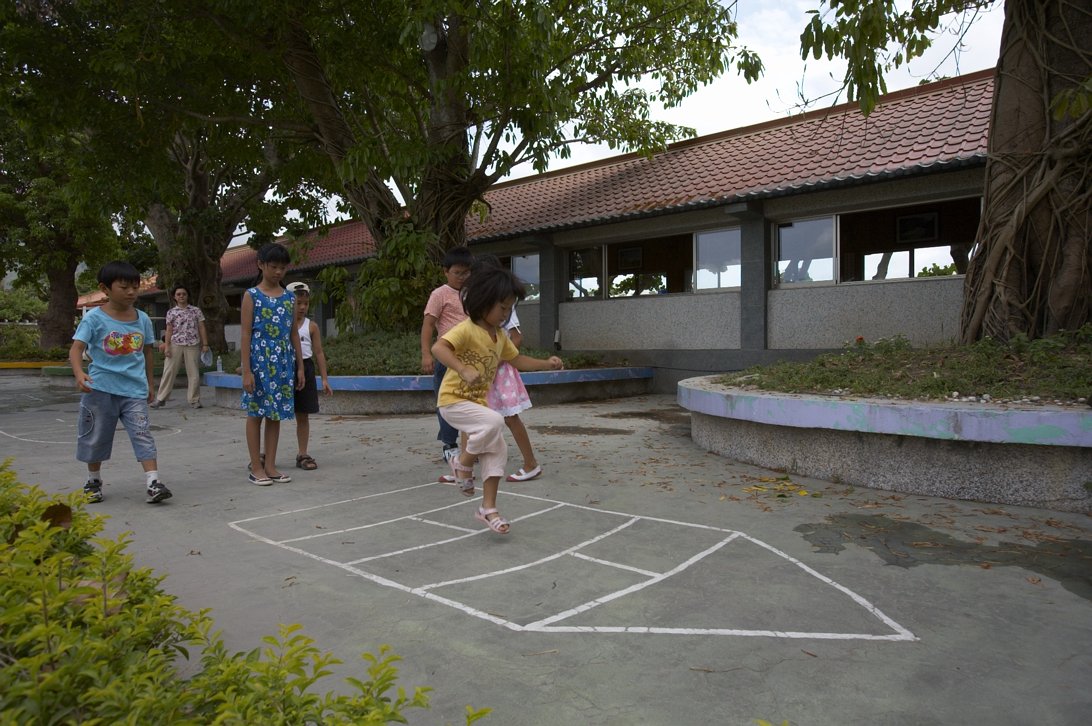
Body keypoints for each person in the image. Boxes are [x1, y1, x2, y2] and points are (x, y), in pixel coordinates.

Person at [431, 265, 563, 534]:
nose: (506, 314)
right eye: (502, 308)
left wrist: (545, 363)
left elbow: (516, 360)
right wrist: (463, 368)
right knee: (493, 421)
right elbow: (438, 347)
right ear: (483, 303)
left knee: (497, 449)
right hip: (452, 401)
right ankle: (462, 463)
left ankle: (488, 509)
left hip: (476, 405)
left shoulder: (500, 336)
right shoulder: (466, 329)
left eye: (509, 308)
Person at [69, 260, 172, 504]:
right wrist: (78, 373)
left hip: (134, 390)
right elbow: (76, 349)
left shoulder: (143, 319)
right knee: (96, 435)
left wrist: (150, 383)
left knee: (142, 433)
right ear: (105, 288)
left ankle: (153, 482)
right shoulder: (94, 319)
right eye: (124, 287)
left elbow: (147, 352)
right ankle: (93, 480)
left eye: (135, 287)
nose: (131, 292)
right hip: (100, 389)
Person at [473, 255, 543, 482]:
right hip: (480, 372)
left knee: (511, 418)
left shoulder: (504, 305)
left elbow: (516, 337)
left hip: (499, 372)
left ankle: (531, 463)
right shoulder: (475, 306)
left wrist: (498, 357)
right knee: (471, 417)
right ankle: (463, 468)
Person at [240, 242, 305, 486]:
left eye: (282, 267)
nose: (278, 272)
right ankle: (256, 466)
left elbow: (293, 334)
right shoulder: (251, 295)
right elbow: (245, 334)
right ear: (261, 265)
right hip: (259, 361)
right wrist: (246, 371)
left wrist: (299, 366)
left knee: (275, 414)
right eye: (273, 266)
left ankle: (271, 465)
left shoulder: (289, 298)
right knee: (256, 412)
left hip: (283, 362)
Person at [421, 246, 474, 466]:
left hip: (471, 359)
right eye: (457, 273)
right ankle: (449, 445)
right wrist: (426, 354)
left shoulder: (473, 292)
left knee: (471, 402)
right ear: (446, 271)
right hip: (447, 358)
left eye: (466, 273)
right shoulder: (440, 294)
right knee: (447, 403)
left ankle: (471, 447)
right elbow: (428, 325)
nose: (462, 277)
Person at [287, 281, 332, 470]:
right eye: (298, 303)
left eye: (306, 303)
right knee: (272, 415)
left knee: (303, 414)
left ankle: (303, 453)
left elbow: (319, 352)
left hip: (305, 367)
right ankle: (265, 453)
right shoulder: (282, 324)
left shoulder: (311, 326)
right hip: (285, 367)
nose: (303, 307)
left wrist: (324, 378)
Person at [150, 284, 209, 409]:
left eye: (184, 294)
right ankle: (161, 398)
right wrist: (167, 346)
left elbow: (202, 327)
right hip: (175, 343)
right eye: (178, 294)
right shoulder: (171, 312)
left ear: (187, 296)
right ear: (174, 297)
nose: (181, 296)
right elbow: (169, 330)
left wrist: (205, 344)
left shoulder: (195, 310)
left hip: (193, 343)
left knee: (194, 372)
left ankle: (194, 400)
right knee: (169, 371)